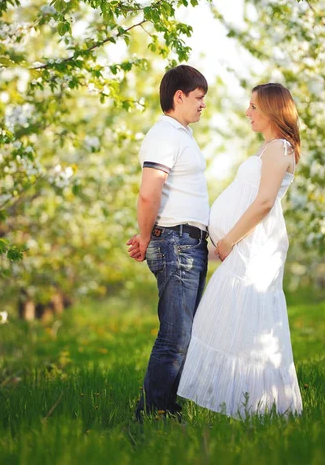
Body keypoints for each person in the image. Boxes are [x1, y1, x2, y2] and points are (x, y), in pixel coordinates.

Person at [177, 82, 303, 419]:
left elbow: (263, 202)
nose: (247, 113)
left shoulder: (280, 148)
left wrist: (230, 239)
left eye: (253, 107)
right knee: (233, 318)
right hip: (245, 245)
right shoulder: (268, 148)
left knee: (248, 319)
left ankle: (260, 408)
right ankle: (241, 404)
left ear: (273, 111)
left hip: (254, 247)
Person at [127, 64, 209, 421]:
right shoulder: (164, 135)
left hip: (187, 243)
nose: (203, 105)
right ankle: (152, 413)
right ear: (179, 96)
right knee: (174, 336)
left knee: (183, 335)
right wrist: (146, 237)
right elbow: (149, 194)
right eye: (198, 98)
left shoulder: (181, 135)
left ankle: (166, 408)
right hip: (175, 243)